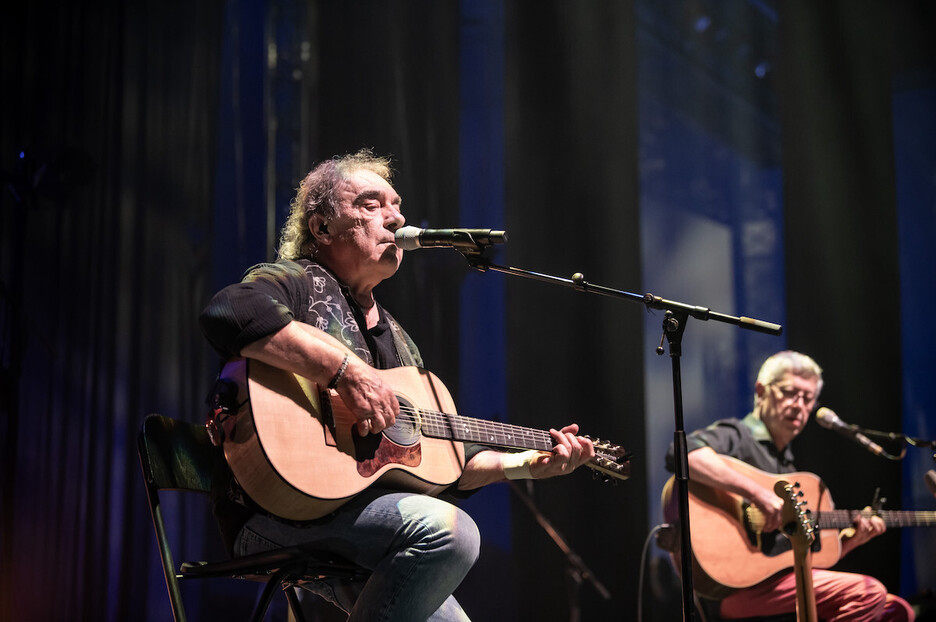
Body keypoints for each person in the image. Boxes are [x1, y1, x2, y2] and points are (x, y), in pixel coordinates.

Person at [199, 149, 596, 621]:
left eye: (397, 205)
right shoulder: (295, 283)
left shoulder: (398, 341)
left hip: (362, 519)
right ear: (322, 228)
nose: (396, 217)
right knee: (451, 532)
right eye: (371, 204)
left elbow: (444, 466)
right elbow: (229, 312)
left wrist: (529, 465)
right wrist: (346, 373)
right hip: (272, 511)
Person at [664, 350, 914, 621]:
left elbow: (799, 557)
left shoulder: (791, 471)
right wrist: (758, 494)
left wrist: (852, 540)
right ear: (761, 391)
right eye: (789, 393)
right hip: (730, 590)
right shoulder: (737, 436)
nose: (799, 405)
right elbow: (683, 454)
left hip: (776, 584)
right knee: (868, 592)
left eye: (808, 399)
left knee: (897, 611)